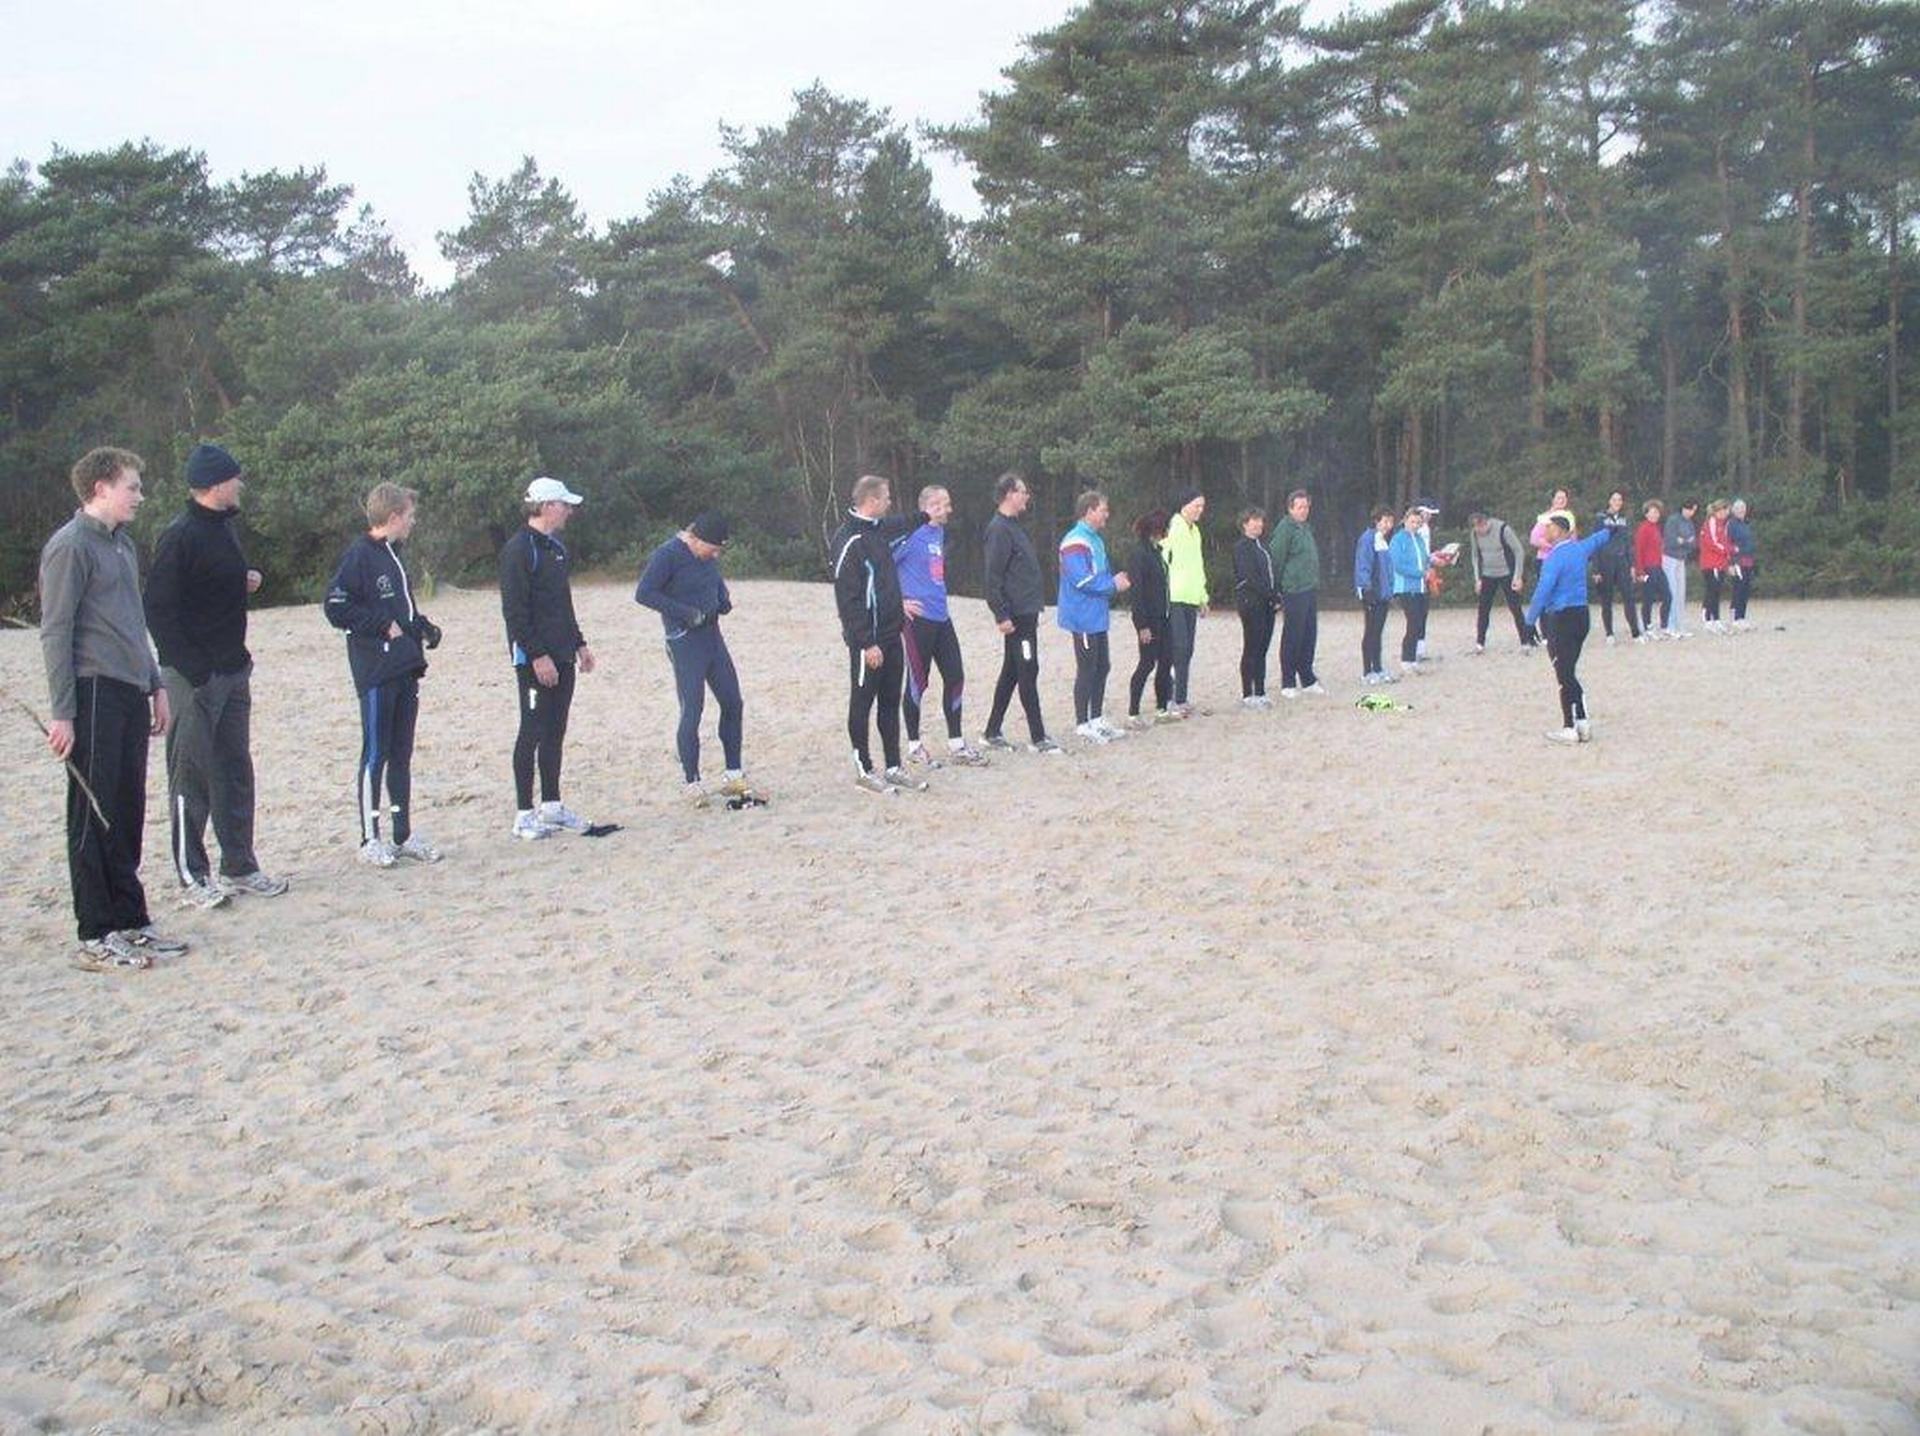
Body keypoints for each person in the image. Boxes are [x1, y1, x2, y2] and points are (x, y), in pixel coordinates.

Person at [39, 447, 188, 970]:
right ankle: (96, 931)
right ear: (101, 487)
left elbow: (132, 621)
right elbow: (55, 631)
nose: (140, 496)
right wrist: (63, 712)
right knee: (93, 813)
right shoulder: (70, 546)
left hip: (129, 689)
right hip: (93, 691)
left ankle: (131, 919)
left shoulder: (122, 545)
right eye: (132, 486)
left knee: (126, 809)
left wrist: (155, 684)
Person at [142, 442, 286, 911]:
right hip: (194, 677)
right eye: (234, 477)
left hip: (233, 668)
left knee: (234, 770)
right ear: (215, 484)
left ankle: (239, 865)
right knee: (191, 775)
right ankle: (193, 874)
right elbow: (159, 609)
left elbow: (209, 582)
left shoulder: (224, 528)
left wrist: (243, 579)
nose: (240, 484)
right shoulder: (179, 536)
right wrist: (192, 669)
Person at [323, 482, 443, 867]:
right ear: (393, 517)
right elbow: (336, 606)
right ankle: (369, 837)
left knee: (401, 753)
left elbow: (400, 609)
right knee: (376, 752)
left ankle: (402, 833)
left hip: (406, 665)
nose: (412, 522)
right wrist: (379, 625)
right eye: (409, 516)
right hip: (376, 669)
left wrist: (422, 626)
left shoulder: (394, 555)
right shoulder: (360, 556)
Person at [636, 513, 757, 806]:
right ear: (694, 538)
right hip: (684, 640)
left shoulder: (708, 556)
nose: (715, 555)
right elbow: (644, 593)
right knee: (693, 708)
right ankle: (692, 781)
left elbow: (714, 578)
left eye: (719, 551)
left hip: (712, 637)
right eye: (712, 549)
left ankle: (733, 774)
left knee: (733, 702)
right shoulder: (667, 555)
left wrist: (722, 598)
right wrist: (685, 613)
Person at [499, 476, 597, 839]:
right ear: (545, 506)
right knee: (533, 729)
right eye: (563, 505)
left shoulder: (556, 549)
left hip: (563, 652)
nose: (569, 511)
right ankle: (524, 813)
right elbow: (515, 611)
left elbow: (562, 602)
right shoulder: (518, 550)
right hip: (533, 658)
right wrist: (537, 655)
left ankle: (552, 805)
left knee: (556, 729)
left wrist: (579, 643)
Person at [831, 474, 929, 793]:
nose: (890, 502)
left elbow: (902, 523)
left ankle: (893, 766)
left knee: (889, 702)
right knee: (862, 703)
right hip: (868, 642)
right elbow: (848, 600)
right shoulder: (850, 540)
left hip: (891, 634)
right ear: (872, 501)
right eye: (886, 497)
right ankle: (864, 769)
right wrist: (866, 642)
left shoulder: (878, 529)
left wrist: (927, 515)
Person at [891, 486, 987, 768]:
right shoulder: (910, 534)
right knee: (917, 682)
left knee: (955, 676)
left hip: (942, 617)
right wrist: (898, 603)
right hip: (917, 620)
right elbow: (881, 567)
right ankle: (914, 746)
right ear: (930, 506)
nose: (949, 509)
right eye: (944, 504)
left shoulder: (939, 533)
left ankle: (957, 744)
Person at [981, 472, 1061, 755]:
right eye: (1022, 491)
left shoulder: (1014, 527)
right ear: (1009, 494)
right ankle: (1038, 737)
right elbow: (992, 577)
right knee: (1028, 669)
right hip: (1015, 616)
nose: (1027, 496)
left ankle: (992, 731)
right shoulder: (999, 530)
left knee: (1012, 671)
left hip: (1027, 613)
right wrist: (1001, 614)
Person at [1525, 512, 1612, 744]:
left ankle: (1569, 726)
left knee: (1564, 675)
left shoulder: (1554, 557)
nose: (1546, 531)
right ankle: (1582, 721)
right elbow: (1599, 538)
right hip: (1581, 615)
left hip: (1562, 617)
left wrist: (1529, 621)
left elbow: (1543, 590)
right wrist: (1609, 526)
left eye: (1550, 527)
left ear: (1561, 530)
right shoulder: (1579, 549)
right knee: (1569, 672)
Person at [1057, 489, 1131, 741]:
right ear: (1089, 511)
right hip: (1082, 615)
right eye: (1103, 510)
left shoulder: (1096, 540)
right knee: (1087, 668)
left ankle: (1097, 718)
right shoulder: (1075, 541)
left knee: (1102, 666)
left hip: (1098, 614)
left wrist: (1114, 580)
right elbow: (1081, 579)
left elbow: (1102, 572)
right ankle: (1082, 723)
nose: (1107, 515)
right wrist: (1112, 584)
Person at [1269, 489, 1325, 697]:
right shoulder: (1285, 529)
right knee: (1293, 635)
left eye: (1306, 507)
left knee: (1309, 634)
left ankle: (1307, 678)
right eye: (1300, 507)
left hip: (1309, 588)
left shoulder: (1305, 528)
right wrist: (1276, 589)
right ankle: (1288, 681)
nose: (1304, 510)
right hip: (1293, 590)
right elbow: (1276, 559)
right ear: (1290, 508)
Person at [1159, 489, 1208, 713]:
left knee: (1188, 649)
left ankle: (1181, 696)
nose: (1200, 510)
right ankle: (1172, 697)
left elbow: (1198, 566)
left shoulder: (1195, 532)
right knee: (1179, 647)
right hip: (1175, 597)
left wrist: (1203, 597)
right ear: (1185, 505)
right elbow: (1162, 557)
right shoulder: (1173, 527)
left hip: (1191, 597)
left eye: (1202, 506)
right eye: (1196, 505)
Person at [1126, 509, 1175, 725]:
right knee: (1146, 664)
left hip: (1164, 616)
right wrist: (1142, 625)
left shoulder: (1156, 552)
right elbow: (1137, 592)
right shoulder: (1139, 554)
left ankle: (1162, 708)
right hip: (1149, 619)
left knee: (1166, 661)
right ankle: (1133, 712)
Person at [1466, 509, 1534, 652]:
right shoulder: (1474, 534)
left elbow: (1518, 551)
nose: (1479, 531)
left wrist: (1517, 576)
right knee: (1483, 609)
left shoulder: (1503, 529)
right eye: (1476, 528)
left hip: (1507, 572)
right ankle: (1480, 643)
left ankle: (1525, 640)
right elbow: (1475, 556)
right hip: (1487, 574)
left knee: (1515, 608)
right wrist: (1477, 578)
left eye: (1481, 527)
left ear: (1486, 522)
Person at [1231, 507, 1276, 707]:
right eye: (1254, 520)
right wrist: (1269, 594)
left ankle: (1260, 690)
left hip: (1266, 604)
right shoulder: (1241, 547)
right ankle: (1247, 694)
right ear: (1245, 524)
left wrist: (1275, 595)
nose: (1259, 524)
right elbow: (1249, 577)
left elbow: (1270, 574)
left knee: (1263, 647)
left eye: (1260, 520)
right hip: (1251, 603)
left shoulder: (1263, 547)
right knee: (1252, 646)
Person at [1591, 490, 1644, 644]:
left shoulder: (1624, 520)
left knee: (1629, 597)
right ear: (1609, 501)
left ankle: (1635, 632)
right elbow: (1595, 543)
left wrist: (1632, 564)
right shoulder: (1600, 519)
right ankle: (1609, 633)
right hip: (1605, 562)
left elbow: (1629, 544)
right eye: (1614, 499)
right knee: (1606, 600)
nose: (1617, 502)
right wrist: (1596, 569)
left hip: (1622, 562)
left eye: (1620, 500)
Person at [1353, 506, 1397, 684]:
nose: (1388, 525)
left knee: (1378, 632)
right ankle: (1367, 671)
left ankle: (1378, 668)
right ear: (1376, 521)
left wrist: (1390, 590)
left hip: (1383, 594)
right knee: (1370, 631)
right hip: (1372, 593)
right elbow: (1363, 564)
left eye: (1390, 521)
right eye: (1385, 521)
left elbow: (1388, 570)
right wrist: (1366, 588)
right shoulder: (1368, 539)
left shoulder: (1383, 541)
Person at [1388, 504, 1433, 674]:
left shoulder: (1419, 539)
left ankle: (1413, 658)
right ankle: (1406, 659)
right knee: (1413, 622)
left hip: (1421, 588)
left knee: (1420, 622)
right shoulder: (1398, 539)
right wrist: (1420, 573)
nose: (1415, 525)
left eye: (1418, 523)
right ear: (1405, 521)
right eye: (1412, 522)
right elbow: (1397, 564)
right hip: (1406, 587)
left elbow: (1425, 559)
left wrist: (1432, 565)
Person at [1633, 499, 1671, 637]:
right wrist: (1640, 571)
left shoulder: (1656, 528)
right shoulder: (1643, 528)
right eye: (1652, 512)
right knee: (1648, 598)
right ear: (1646, 514)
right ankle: (1647, 626)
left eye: (1657, 512)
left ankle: (1664, 626)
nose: (1655, 515)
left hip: (1658, 567)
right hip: (1647, 568)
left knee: (1667, 596)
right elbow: (1639, 550)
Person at [1662, 499, 1698, 638]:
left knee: (1681, 592)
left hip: (1681, 559)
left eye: (1693, 511)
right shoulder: (1673, 520)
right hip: (1670, 558)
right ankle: (1670, 625)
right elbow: (1671, 540)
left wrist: (1683, 541)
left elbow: (1693, 543)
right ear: (1684, 508)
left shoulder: (1689, 523)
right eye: (1690, 510)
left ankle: (1680, 625)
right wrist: (1683, 541)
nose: (1691, 513)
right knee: (1672, 591)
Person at [1698, 498, 1734, 633]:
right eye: (1725, 510)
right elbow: (1712, 542)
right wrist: (1726, 550)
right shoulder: (1711, 522)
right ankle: (1708, 619)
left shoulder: (1722, 525)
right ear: (1719, 510)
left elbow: (1724, 541)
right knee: (1712, 591)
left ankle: (1716, 619)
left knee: (1717, 591)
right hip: (1711, 563)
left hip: (1720, 563)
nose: (1726, 513)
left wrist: (1728, 556)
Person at [1729, 498, 1758, 629]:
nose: (1742, 511)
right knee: (1738, 590)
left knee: (1745, 589)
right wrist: (1731, 563)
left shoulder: (1745, 524)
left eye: (1743, 509)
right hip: (1738, 561)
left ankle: (1742, 617)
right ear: (1733, 510)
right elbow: (1729, 544)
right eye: (1739, 509)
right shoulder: (1731, 525)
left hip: (1748, 561)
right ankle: (1735, 618)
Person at [1529, 488, 1573, 568]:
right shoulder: (1545, 518)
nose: (1561, 501)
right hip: (1546, 559)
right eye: (1559, 498)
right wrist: (1551, 546)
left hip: (1565, 560)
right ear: (1553, 500)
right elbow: (1534, 539)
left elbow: (1573, 539)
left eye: (1564, 498)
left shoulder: (1570, 517)